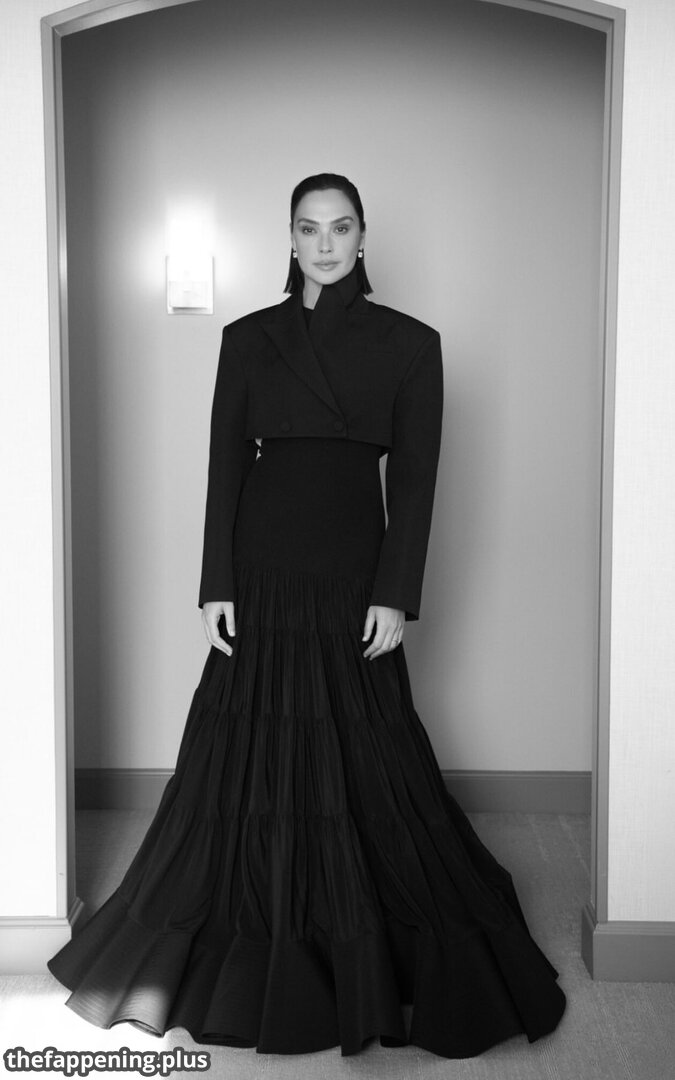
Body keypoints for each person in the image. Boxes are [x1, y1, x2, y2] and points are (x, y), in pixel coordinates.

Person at [48, 173, 567, 1058]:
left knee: (366, 743)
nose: (325, 243)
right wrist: (215, 582)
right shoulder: (248, 338)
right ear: (288, 239)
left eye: (340, 227)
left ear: (363, 237)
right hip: (261, 562)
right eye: (308, 228)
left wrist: (394, 593)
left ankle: (357, 935)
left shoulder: (410, 344)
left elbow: (415, 483)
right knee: (244, 745)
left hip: (352, 566)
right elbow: (223, 464)